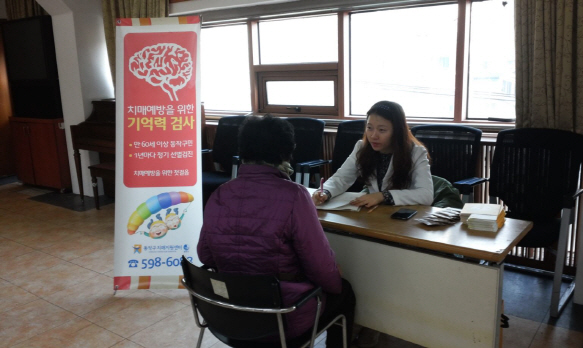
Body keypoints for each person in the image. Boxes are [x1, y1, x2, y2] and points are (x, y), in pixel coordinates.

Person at [197, 115, 356, 347]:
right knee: (344, 292)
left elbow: (205, 256)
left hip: (228, 314)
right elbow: (320, 266)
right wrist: (334, 284)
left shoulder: (220, 193)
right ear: (286, 152)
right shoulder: (296, 196)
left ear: (242, 149)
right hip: (281, 317)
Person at [313, 100, 433, 209]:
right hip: (374, 213)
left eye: (382, 130)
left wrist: (383, 196)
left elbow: (426, 195)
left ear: (397, 132)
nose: (373, 136)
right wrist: (325, 192)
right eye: (369, 128)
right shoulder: (362, 147)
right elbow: (342, 178)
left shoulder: (416, 152)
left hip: (405, 216)